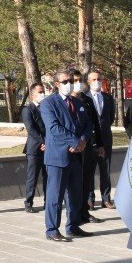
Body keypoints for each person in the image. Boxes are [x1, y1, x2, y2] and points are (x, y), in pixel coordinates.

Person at [39, 70, 91, 242]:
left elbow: (87, 125)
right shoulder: (48, 104)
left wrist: (82, 141)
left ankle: (73, 226)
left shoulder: (78, 102)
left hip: (76, 156)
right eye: (65, 81)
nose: (69, 83)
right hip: (58, 157)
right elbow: (53, 128)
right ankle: (52, 229)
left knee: (75, 194)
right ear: (56, 84)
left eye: (71, 80)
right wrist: (74, 142)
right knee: (55, 195)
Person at [70, 69, 102, 225]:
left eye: (78, 80)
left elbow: (94, 123)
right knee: (73, 183)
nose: (77, 83)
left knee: (86, 180)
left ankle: (84, 211)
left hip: (87, 147)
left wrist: (100, 144)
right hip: (70, 149)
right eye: (73, 80)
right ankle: (73, 214)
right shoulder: (63, 101)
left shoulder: (87, 100)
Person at [86, 70, 116, 209]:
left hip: (105, 140)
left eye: (99, 78)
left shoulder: (108, 98)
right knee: (90, 171)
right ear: (88, 82)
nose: (96, 81)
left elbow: (110, 118)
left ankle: (106, 198)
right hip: (90, 141)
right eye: (93, 79)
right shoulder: (84, 98)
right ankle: (90, 199)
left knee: (105, 170)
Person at [21, 82, 47, 213]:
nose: (43, 94)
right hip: (35, 149)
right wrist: (44, 142)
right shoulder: (28, 109)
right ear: (32, 95)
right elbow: (31, 129)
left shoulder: (47, 108)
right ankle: (28, 202)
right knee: (33, 177)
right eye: (40, 92)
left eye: (43, 92)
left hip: (48, 148)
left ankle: (48, 202)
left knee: (48, 177)